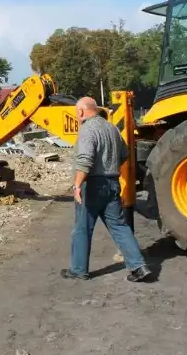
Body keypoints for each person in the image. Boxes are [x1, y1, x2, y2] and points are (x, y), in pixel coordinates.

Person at [60, 97, 152, 282]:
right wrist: (111, 168)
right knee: (119, 226)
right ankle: (138, 266)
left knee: (82, 228)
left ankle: (78, 270)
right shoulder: (112, 128)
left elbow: (85, 159)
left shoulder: (87, 129)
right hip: (112, 183)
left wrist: (77, 185)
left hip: (92, 185)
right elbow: (124, 153)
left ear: (81, 111)